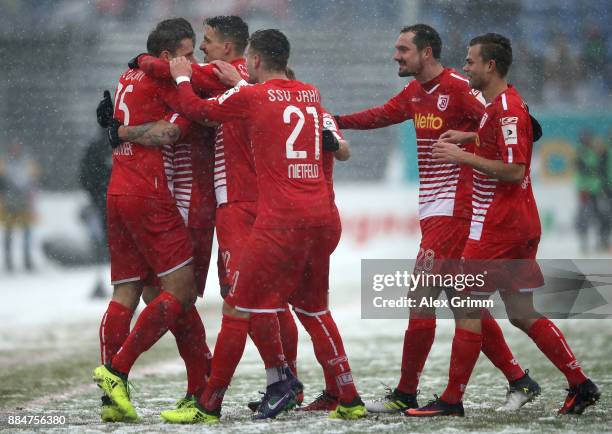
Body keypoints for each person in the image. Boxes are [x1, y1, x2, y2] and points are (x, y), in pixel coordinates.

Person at [162, 29, 366, 423]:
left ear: (254, 61)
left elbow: (197, 110)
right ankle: (350, 398)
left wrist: (183, 77)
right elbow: (334, 144)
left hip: (280, 221)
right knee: (314, 310)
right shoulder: (312, 94)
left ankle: (209, 406)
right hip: (320, 218)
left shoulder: (251, 96)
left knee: (238, 309)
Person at [334, 24, 538, 413]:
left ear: (426, 53)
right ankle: (518, 379)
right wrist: (337, 120)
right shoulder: (415, 93)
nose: (396, 55)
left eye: (403, 49)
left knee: (421, 296)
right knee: (463, 301)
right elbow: (381, 115)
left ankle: (406, 392)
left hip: (456, 210)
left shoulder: (461, 87)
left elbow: (499, 117)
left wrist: (489, 138)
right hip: (433, 209)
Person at [406, 33, 600, 417]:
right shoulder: (503, 107)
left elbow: (513, 169)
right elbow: (508, 142)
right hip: (519, 225)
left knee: (466, 307)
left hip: (497, 226)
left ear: (490, 66)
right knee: (521, 312)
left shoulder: (507, 110)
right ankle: (581, 383)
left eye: (470, 61)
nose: (465, 67)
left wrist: (463, 156)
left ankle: (451, 400)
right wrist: (472, 136)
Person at [92, 18, 211, 422]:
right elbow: (167, 133)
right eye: (188, 52)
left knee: (128, 291)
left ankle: (114, 397)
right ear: (166, 56)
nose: (192, 61)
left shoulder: (130, 72)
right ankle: (117, 371)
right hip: (151, 194)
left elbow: (139, 127)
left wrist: (119, 132)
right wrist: (132, 131)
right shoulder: (165, 80)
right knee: (181, 292)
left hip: (119, 190)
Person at [0, 138, 39, 272]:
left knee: (27, 230)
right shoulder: (4, 163)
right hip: (9, 202)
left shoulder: (27, 162)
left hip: (24, 202)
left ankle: (27, 259)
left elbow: (34, 181)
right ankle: (8, 260)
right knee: (8, 231)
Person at [79, 130, 112, 262]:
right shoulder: (123, 145)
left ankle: (106, 256)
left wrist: (94, 194)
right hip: (110, 198)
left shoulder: (94, 147)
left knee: (105, 234)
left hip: (102, 199)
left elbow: (85, 176)